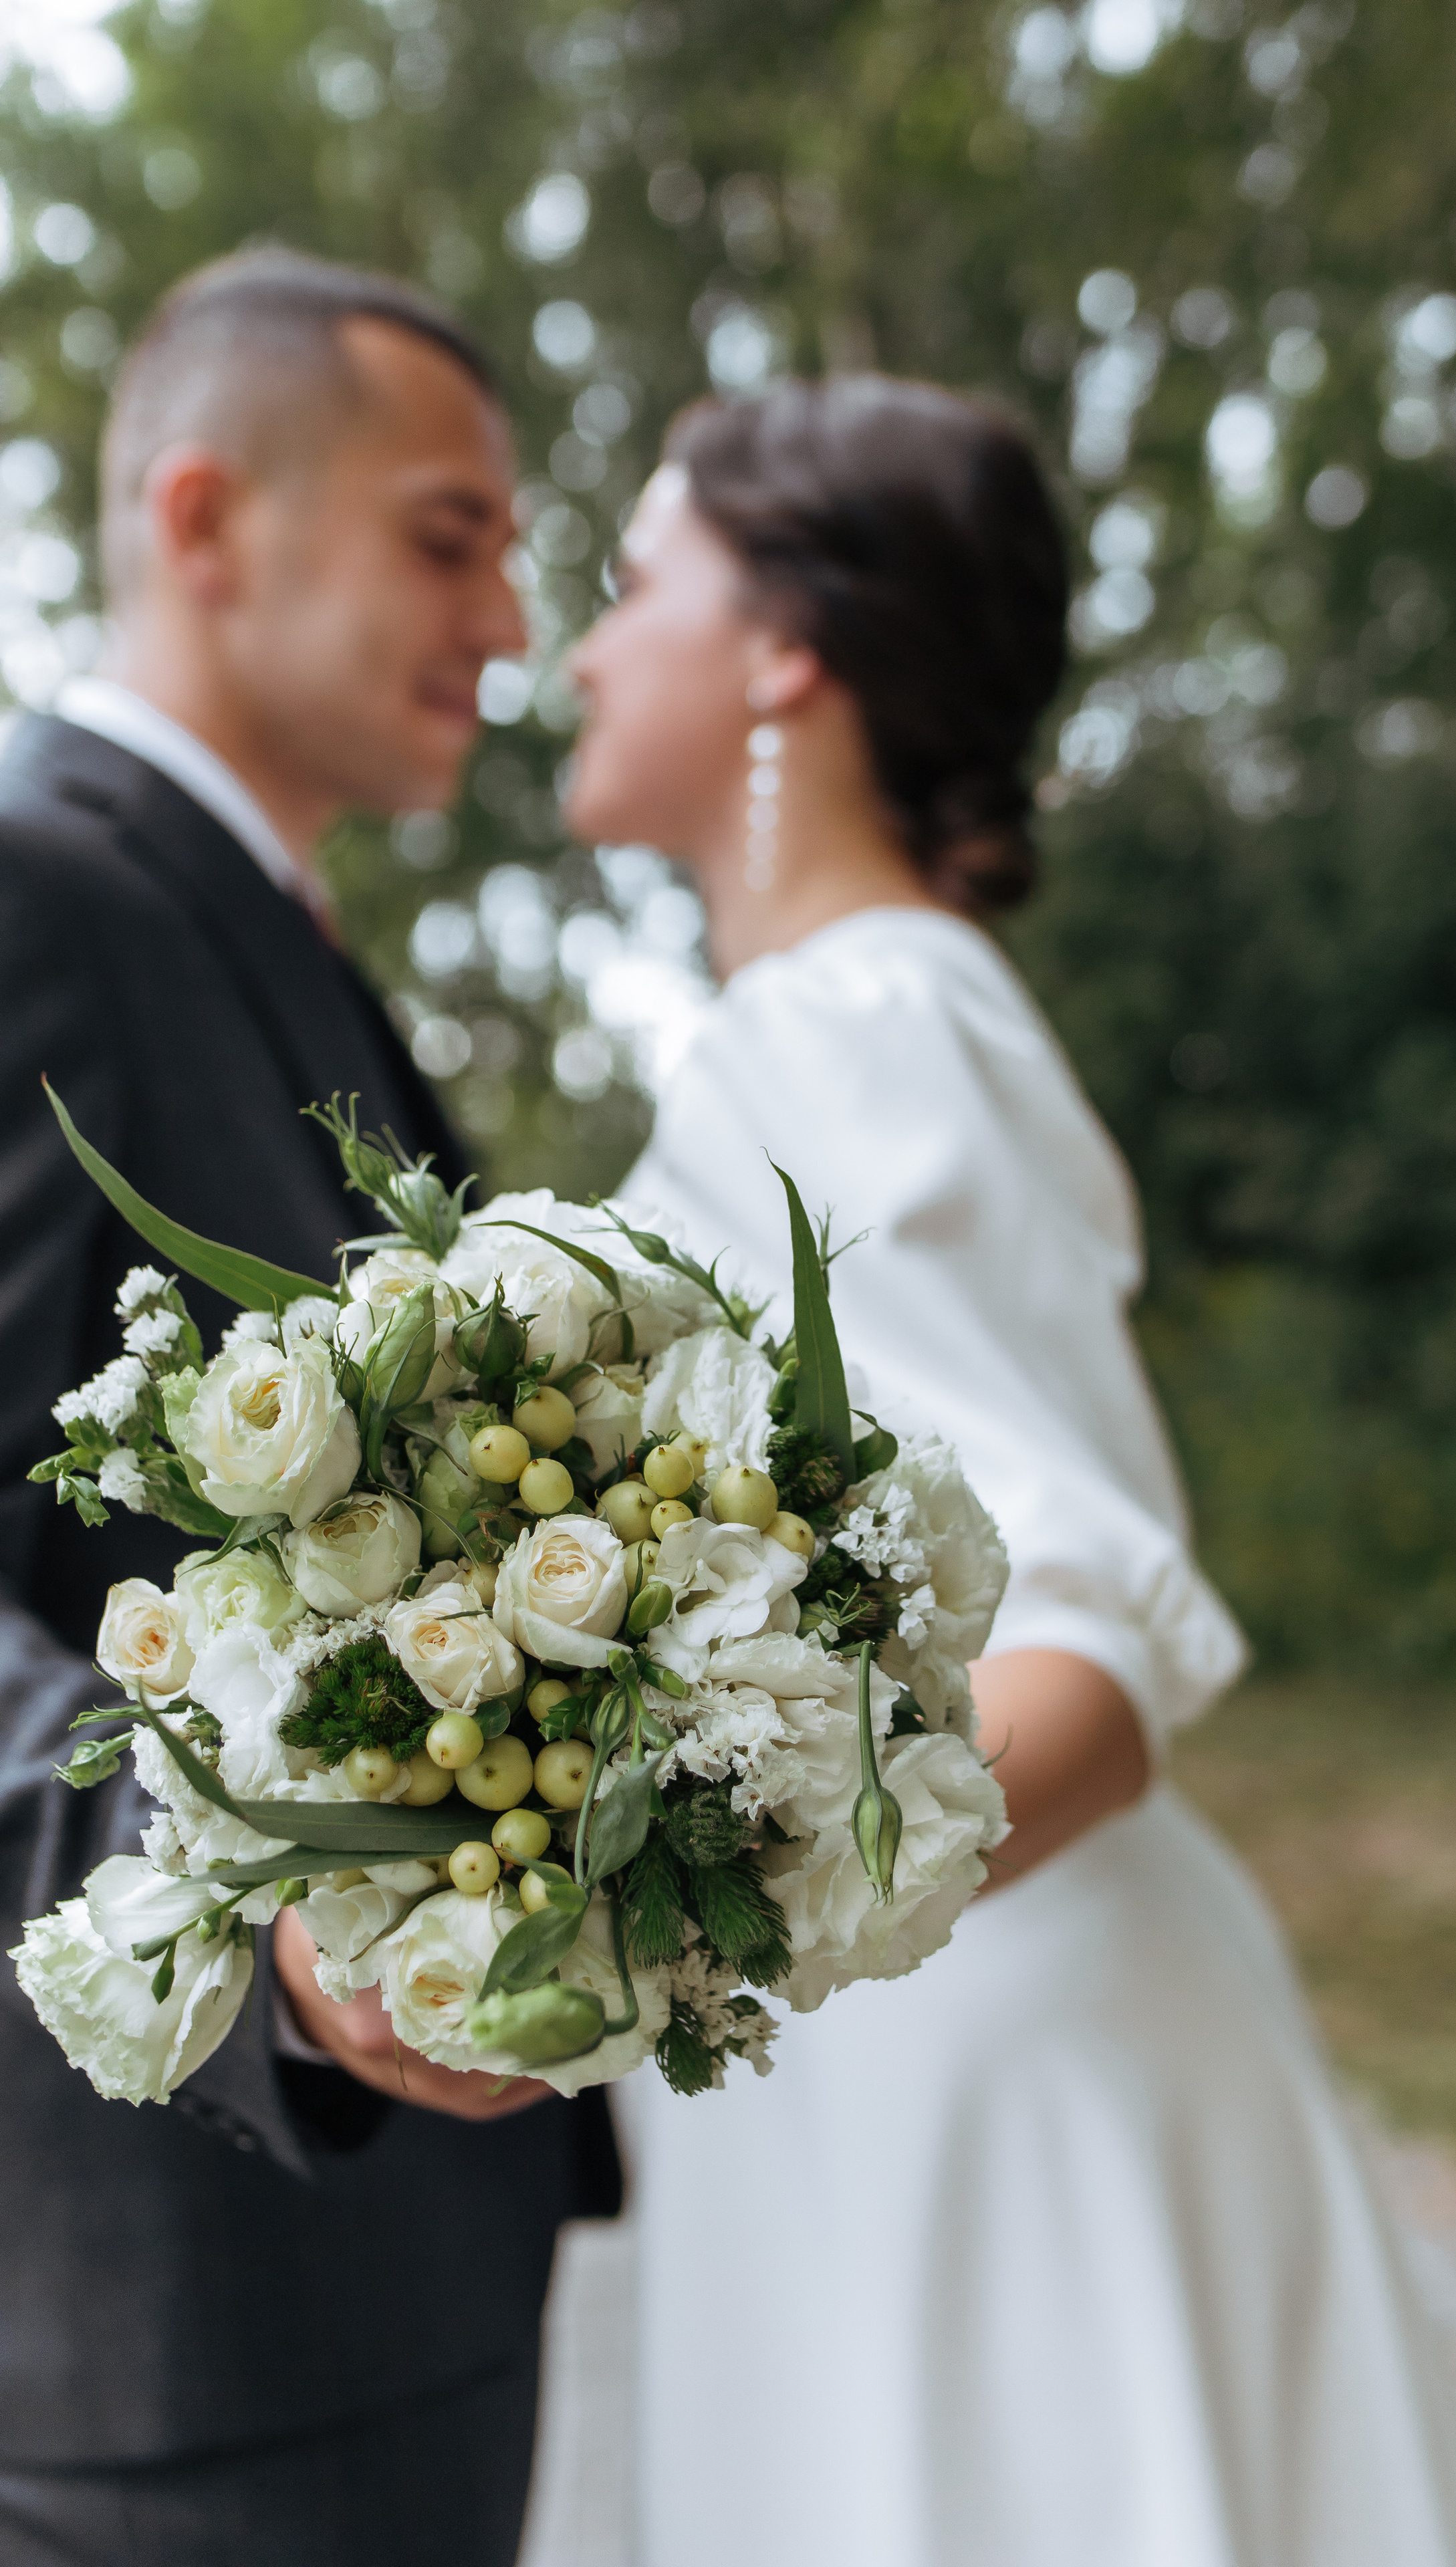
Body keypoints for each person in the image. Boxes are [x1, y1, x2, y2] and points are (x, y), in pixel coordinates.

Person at [560, 376, 1456, 2566]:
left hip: (963, 2082)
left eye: (636, 587)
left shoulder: (853, 1027)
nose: (590, 649)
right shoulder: (877, 1013)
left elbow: (1079, 1654)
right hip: (898, 2050)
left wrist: (632, 1919)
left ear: (785, 642)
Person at [0, 249, 614, 2567]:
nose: (509, 621)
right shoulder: (34, 894)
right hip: (184, 2347)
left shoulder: (281, 946)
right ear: (205, 519)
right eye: (449, 538)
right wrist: (254, 1936)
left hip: (392, 2287)